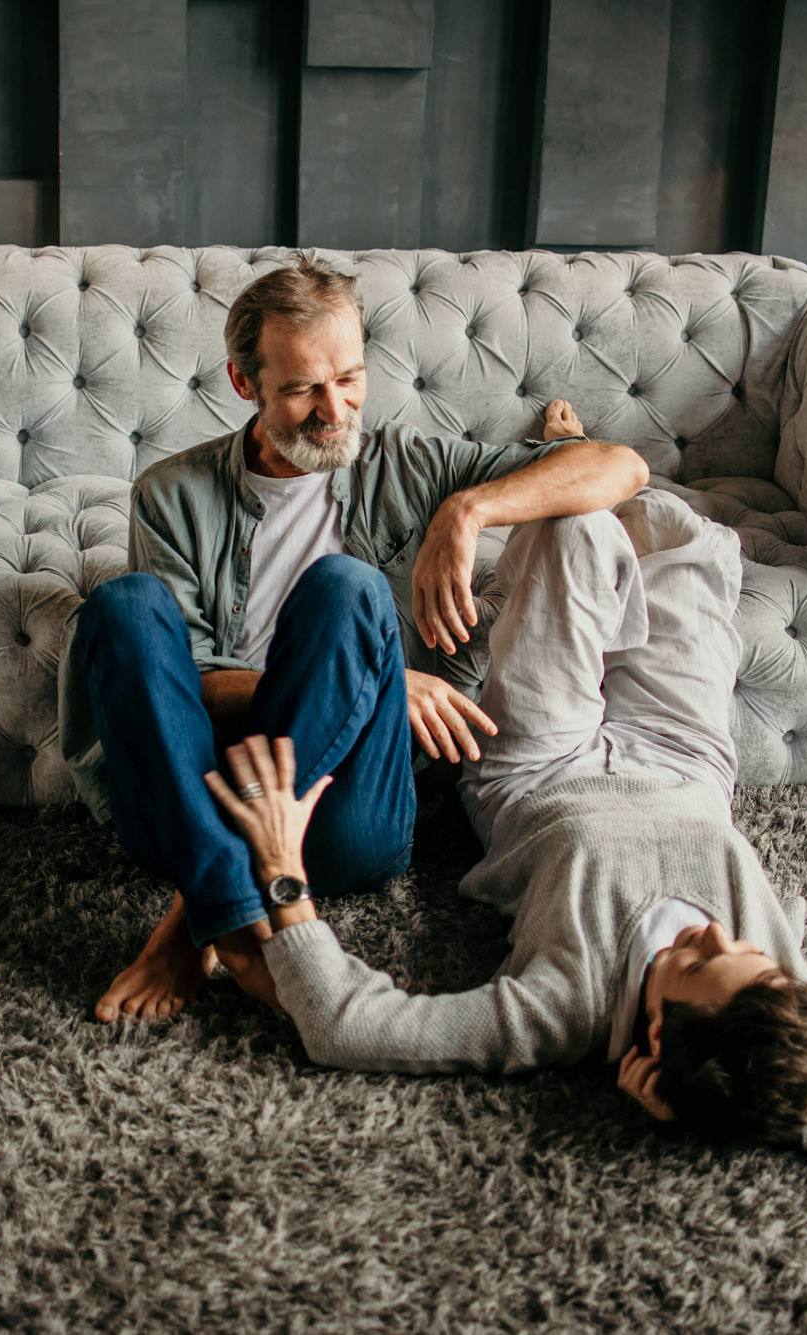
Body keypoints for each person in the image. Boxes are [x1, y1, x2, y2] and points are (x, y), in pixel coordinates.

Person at [201, 483, 807, 1167]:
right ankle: (577, 464)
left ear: (656, 1042)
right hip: (686, 764)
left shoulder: (568, 1006)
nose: (715, 934)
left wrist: (280, 871)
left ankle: (566, 491)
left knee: (577, 527)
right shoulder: (777, 989)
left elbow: (347, 1028)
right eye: (738, 949)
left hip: (540, 774)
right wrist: (773, 1107)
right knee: (683, 536)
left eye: (697, 962)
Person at [57, 256, 649, 1025]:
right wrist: (384, 680)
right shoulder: (170, 495)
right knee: (123, 605)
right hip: (192, 792)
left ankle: (199, 914)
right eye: (302, 387)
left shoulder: (406, 463)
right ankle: (233, 908)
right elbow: (182, 680)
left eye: (349, 377)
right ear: (247, 385)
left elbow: (619, 465)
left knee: (350, 587)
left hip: (343, 815)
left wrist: (465, 512)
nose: (334, 408)